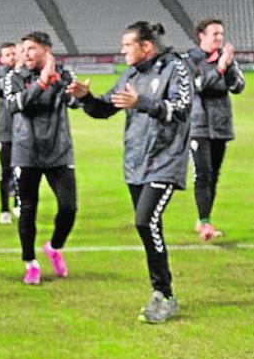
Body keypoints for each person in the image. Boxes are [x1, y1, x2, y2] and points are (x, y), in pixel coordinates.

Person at [68, 21, 192, 324]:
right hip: (136, 164)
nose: (122, 50)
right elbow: (103, 109)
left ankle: (164, 293)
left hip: (166, 160)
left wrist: (144, 103)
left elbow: (182, 109)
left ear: (145, 46)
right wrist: (85, 97)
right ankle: (162, 292)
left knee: (144, 221)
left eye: (127, 45)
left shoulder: (176, 69)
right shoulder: (132, 75)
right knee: (150, 226)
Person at [3, 32, 78, 285]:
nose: (25, 54)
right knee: (28, 210)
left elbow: (74, 101)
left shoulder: (64, 74)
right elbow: (13, 105)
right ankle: (30, 263)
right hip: (26, 153)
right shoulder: (13, 77)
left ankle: (54, 246)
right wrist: (41, 84)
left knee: (69, 207)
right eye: (23, 49)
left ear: (46, 51)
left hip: (59, 151)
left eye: (31, 49)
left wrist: (78, 92)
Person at [187, 18, 244, 242]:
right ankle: (204, 222)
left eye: (221, 34)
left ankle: (204, 218)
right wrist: (219, 67)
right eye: (214, 34)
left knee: (214, 176)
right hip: (198, 126)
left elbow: (238, 87)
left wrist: (227, 66)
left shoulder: (226, 59)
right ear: (201, 35)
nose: (219, 38)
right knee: (203, 174)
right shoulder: (191, 60)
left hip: (220, 125)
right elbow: (198, 86)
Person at [0, 42, 18, 225]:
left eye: (14, 53)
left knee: (22, 170)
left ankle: (19, 204)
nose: (11, 57)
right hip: (5, 131)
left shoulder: (25, 74)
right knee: (6, 170)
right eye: (7, 55)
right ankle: (4, 209)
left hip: (23, 131)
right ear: (1, 59)